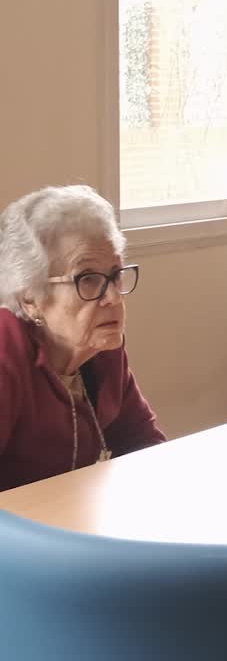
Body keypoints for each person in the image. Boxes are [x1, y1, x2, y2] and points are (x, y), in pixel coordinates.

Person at [0, 184, 165, 493]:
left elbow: (143, 443)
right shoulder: (5, 354)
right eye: (87, 279)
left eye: (115, 274)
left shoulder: (102, 348)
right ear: (31, 298)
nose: (113, 297)